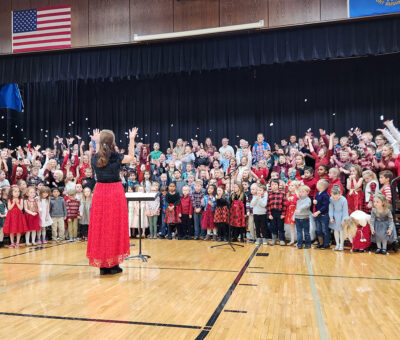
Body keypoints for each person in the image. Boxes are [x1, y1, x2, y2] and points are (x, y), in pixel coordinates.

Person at [87, 127, 137, 276]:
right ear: (112, 142)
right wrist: (132, 139)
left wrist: (96, 142)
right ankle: (113, 263)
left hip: (100, 192)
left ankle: (104, 265)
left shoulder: (95, 158)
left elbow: (99, 153)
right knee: (114, 226)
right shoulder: (116, 157)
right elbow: (132, 157)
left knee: (101, 227)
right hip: (115, 192)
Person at [267, 179, 287, 246]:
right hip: (272, 213)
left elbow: (284, 204)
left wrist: (283, 214)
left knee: (280, 226)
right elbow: (268, 205)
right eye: (272, 185)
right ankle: (274, 239)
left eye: (275, 184)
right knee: (273, 226)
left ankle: (281, 239)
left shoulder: (282, 194)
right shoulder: (269, 194)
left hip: (280, 213)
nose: (274, 186)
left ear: (278, 185)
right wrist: (269, 214)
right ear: (270, 186)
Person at [328, 187, 348, 251]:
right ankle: (337, 244)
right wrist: (331, 217)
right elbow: (331, 208)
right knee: (336, 230)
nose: (334, 198)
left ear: (340, 194)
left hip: (342, 216)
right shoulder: (331, 199)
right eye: (333, 197)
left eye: (335, 197)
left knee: (341, 231)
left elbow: (345, 211)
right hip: (335, 216)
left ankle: (341, 245)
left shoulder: (344, 200)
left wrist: (343, 220)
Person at [313, 179, 330, 249]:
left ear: (322, 186)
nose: (316, 185)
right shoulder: (318, 193)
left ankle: (326, 244)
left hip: (323, 215)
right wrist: (315, 201)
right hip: (318, 215)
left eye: (317, 184)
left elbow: (325, 206)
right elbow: (317, 203)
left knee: (324, 230)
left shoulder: (325, 195)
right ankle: (321, 243)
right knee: (318, 230)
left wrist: (318, 211)